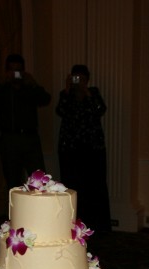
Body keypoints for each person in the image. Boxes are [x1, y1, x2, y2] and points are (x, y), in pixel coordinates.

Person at [56, 64, 112, 232]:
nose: (78, 81)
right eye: (75, 78)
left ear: (87, 80)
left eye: (81, 78)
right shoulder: (66, 95)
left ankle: (97, 226)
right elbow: (60, 111)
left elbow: (100, 109)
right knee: (72, 185)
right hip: (70, 149)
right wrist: (67, 90)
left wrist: (86, 92)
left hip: (92, 149)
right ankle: (72, 224)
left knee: (95, 186)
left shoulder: (93, 93)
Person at [0, 54, 51, 190]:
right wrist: (1, 84)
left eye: (18, 70)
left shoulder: (29, 87)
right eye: (12, 70)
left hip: (30, 138)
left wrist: (33, 84)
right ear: (7, 71)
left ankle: (39, 210)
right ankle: (16, 210)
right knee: (13, 183)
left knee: (39, 182)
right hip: (9, 138)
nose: (15, 74)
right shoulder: (3, 89)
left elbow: (45, 99)